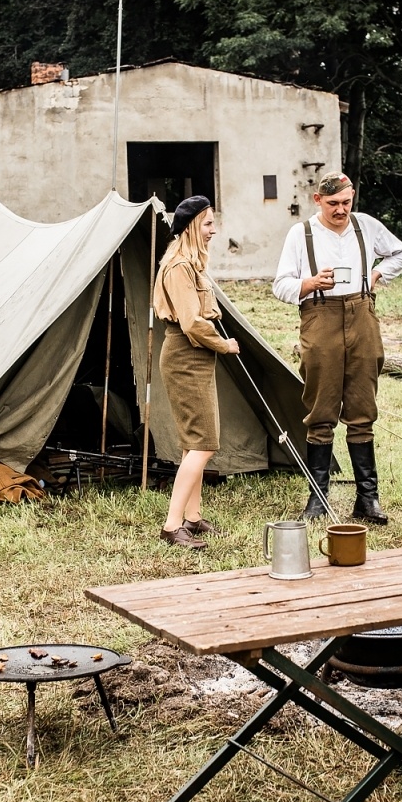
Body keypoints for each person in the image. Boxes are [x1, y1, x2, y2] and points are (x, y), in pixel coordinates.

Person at [272, 172, 402, 522]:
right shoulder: (301, 234)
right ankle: (318, 499)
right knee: (321, 410)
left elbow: (400, 253)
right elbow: (280, 285)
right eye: (333, 203)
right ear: (318, 200)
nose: (341, 210)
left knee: (363, 407)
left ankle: (368, 499)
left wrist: (376, 276)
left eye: (346, 202)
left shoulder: (365, 226)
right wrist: (309, 283)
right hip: (320, 316)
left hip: (362, 313)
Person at [154, 195, 240, 548]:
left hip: (195, 358)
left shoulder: (191, 265)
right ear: (191, 226)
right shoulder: (178, 267)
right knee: (204, 444)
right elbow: (191, 323)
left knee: (195, 444)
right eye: (207, 224)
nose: (213, 230)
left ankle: (192, 517)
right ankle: (172, 526)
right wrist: (225, 345)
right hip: (186, 356)